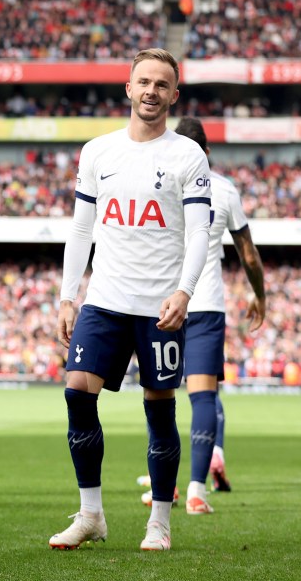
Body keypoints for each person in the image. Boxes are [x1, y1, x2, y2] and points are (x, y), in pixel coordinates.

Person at [52, 49, 211, 552]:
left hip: (159, 306)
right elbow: (81, 228)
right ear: (128, 87)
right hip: (105, 299)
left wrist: (185, 291)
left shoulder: (188, 156)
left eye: (162, 85)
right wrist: (66, 296)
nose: (151, 92)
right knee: (78, 390)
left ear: (174, 96)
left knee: (159, 408)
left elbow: (200, 233)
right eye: (144, 82)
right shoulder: (98, 151)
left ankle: (159, 521)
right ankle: (91, 513)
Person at [137, 117, 265, 513]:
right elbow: (247, 254)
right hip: (206, 303)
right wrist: (260, 295)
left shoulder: (156, 183)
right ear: (206, 153)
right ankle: (195, 490)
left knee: (160, 394)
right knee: (203, 396)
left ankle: (167, 488)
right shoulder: (225, 190)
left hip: (162, 303)